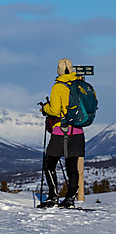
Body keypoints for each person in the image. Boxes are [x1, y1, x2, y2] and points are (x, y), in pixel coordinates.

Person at [38, 58, 85, 208]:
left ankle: (53, 197)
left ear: (58, 71)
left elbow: (54, 110)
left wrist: (45, 108)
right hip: (77, 130)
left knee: (49, 164)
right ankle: (70, 199)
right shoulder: (80, 85)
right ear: (71, 70)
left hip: (60, 131)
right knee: (72, 166)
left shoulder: (58, 87)